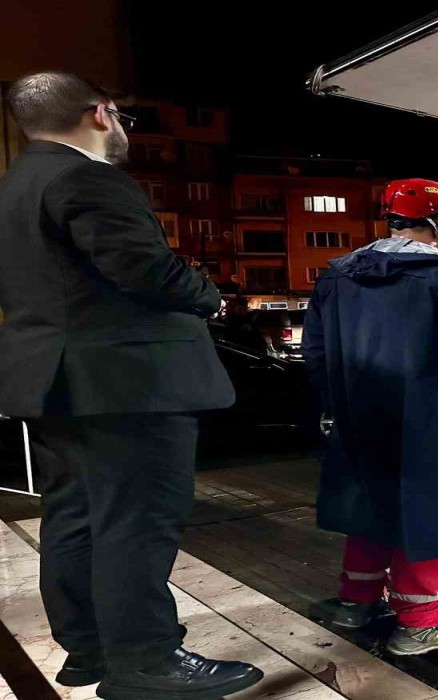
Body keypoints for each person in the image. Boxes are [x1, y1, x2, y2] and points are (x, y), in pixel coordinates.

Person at [0, 72, 263, 696]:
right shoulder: (88, 176)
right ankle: (147, 663)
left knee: (76, 516)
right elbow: (143, 267)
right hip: (125, 382)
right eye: (120, 119)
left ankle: (89, 649)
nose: (121, 131)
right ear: (101, 113)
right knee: (136, 521)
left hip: (56, 381)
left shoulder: (13, 188)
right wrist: (208, 296)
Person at [302, 178, 438, 655]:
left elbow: (316, 355)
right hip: (433, 419)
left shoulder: (337, 276)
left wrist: (337, 405)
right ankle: (422, 621)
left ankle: (355, 599)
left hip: (360, 418)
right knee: (428, 515)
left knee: (371, 507)